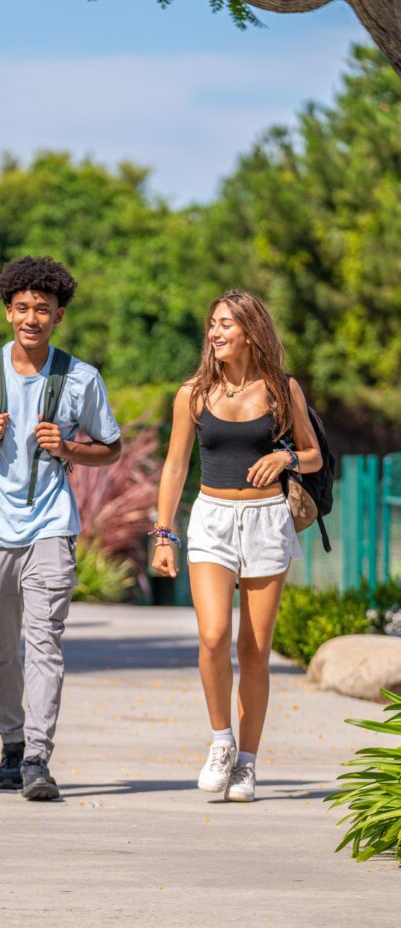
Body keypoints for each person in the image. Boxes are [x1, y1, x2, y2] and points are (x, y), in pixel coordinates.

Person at [0, 256, 122, 801]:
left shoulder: (81, 378)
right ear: (8, 312)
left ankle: (37, 757)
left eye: (42, 308)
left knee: (44, 643)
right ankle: (11, 746)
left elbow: (111, 448)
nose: (31, 318)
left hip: (51, 524)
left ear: (59, 314)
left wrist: (69, 448)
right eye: (21, 308)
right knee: (1, 650)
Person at [151, 291, 322, 802]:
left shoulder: (282, 389)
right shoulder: (193, 393)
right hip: (212, 520)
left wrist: (286, 459)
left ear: (250, 330)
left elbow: (313, 454)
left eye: (225, 324)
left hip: (267, 522)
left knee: (254, 649)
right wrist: (164, 533)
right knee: (213, 636)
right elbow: (175, 466)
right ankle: (221, 741)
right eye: (212, 324)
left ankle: (247, 764)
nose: (215, 332)